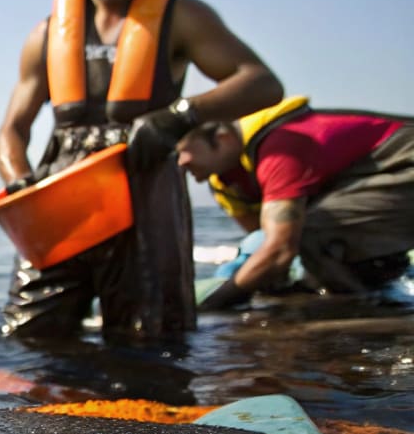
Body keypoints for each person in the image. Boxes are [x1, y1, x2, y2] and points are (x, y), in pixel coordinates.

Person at [0, 0, 282, 341]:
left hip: (144, 206)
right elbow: (12, 130)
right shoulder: (46, 35)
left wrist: (180, 115)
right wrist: (19, 182)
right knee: (28, 342)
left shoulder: (183, 17)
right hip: (61, 213)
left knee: (150, 349)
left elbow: (263, 83)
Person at [176, 97, 414, 308]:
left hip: (403, 160)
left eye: (183, 151)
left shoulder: (279, 149)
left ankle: (359, 307)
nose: (179, 163)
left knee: (308, 231)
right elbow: (263, 240)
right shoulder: (225, 183)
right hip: (365, 188)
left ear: (222, 138)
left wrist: (213, 304)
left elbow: (280, 249)